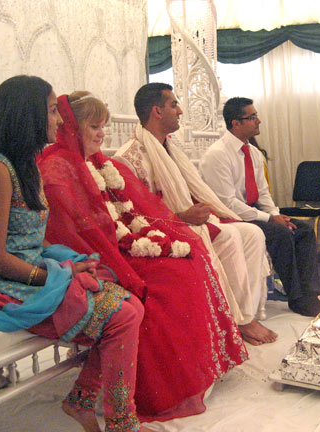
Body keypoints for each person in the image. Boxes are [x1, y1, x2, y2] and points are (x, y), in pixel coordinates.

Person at [38, 91, 248, 421]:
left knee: (191, 259)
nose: (101, 134)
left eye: (103, 126)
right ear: (71, 127)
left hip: (116, 245)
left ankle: (195, 371)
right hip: (88, 257)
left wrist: (152, 237)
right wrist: (124, 265)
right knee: (164, 282)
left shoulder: (97, 162)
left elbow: (133, 210)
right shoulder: (56, 167)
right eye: (94, 126)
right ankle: (157, 391)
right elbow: (75, 231)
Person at [0, 76, 149, 432]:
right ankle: (121, 422)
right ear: (26, 115)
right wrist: (57, 275)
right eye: (51, 111)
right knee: (121, 315)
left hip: (26, 271)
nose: (59, 120)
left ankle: (82, 401)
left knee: (130, 305)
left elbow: (28, 238)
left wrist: (71, 264)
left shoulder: (24, 164)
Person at [113, 83, 277, 346]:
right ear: (157, 111)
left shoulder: (170, 147)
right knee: (229, 238)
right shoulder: (129, 157)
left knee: (252, 233)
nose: (179, 111)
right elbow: (134, 215)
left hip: (188, 218)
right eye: (174, 105)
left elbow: (190, 190)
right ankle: (237, 322)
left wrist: (201, 210)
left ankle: (244, 315)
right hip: (167, 228)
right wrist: (182, 216)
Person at [199, 97, 320, 317]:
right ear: (235, 123)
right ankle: (296, 298)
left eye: (256, 115)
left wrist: (276, 214)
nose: (258, 121)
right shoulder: (217, 155)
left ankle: (311, 294)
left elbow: (263, 193)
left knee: (303, 231)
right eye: (252, 117)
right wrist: (269, 219)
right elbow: (227, 203)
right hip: (229, 217)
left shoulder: (254, 153)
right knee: (281, 234)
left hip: (252, 212)